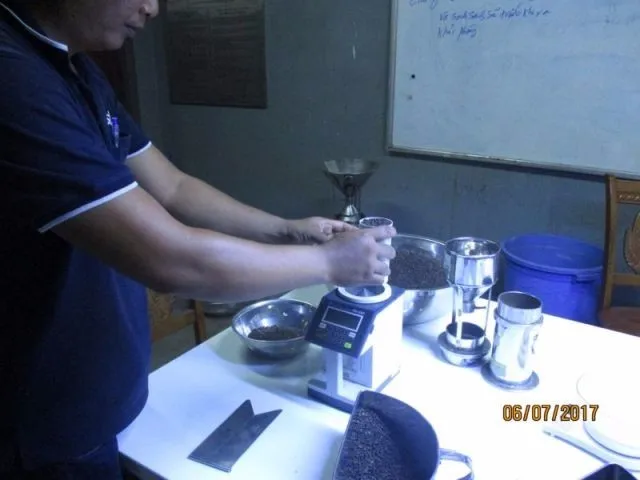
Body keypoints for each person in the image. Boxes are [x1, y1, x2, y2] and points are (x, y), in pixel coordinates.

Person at [0, 0, 396, 477]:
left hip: (101, 396)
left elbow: (173, 187)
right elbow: (171, 259)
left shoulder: (75, 68)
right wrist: (328, 264)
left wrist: (286, 229)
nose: (152, 8)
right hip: (43, 422)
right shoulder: (14, 78)